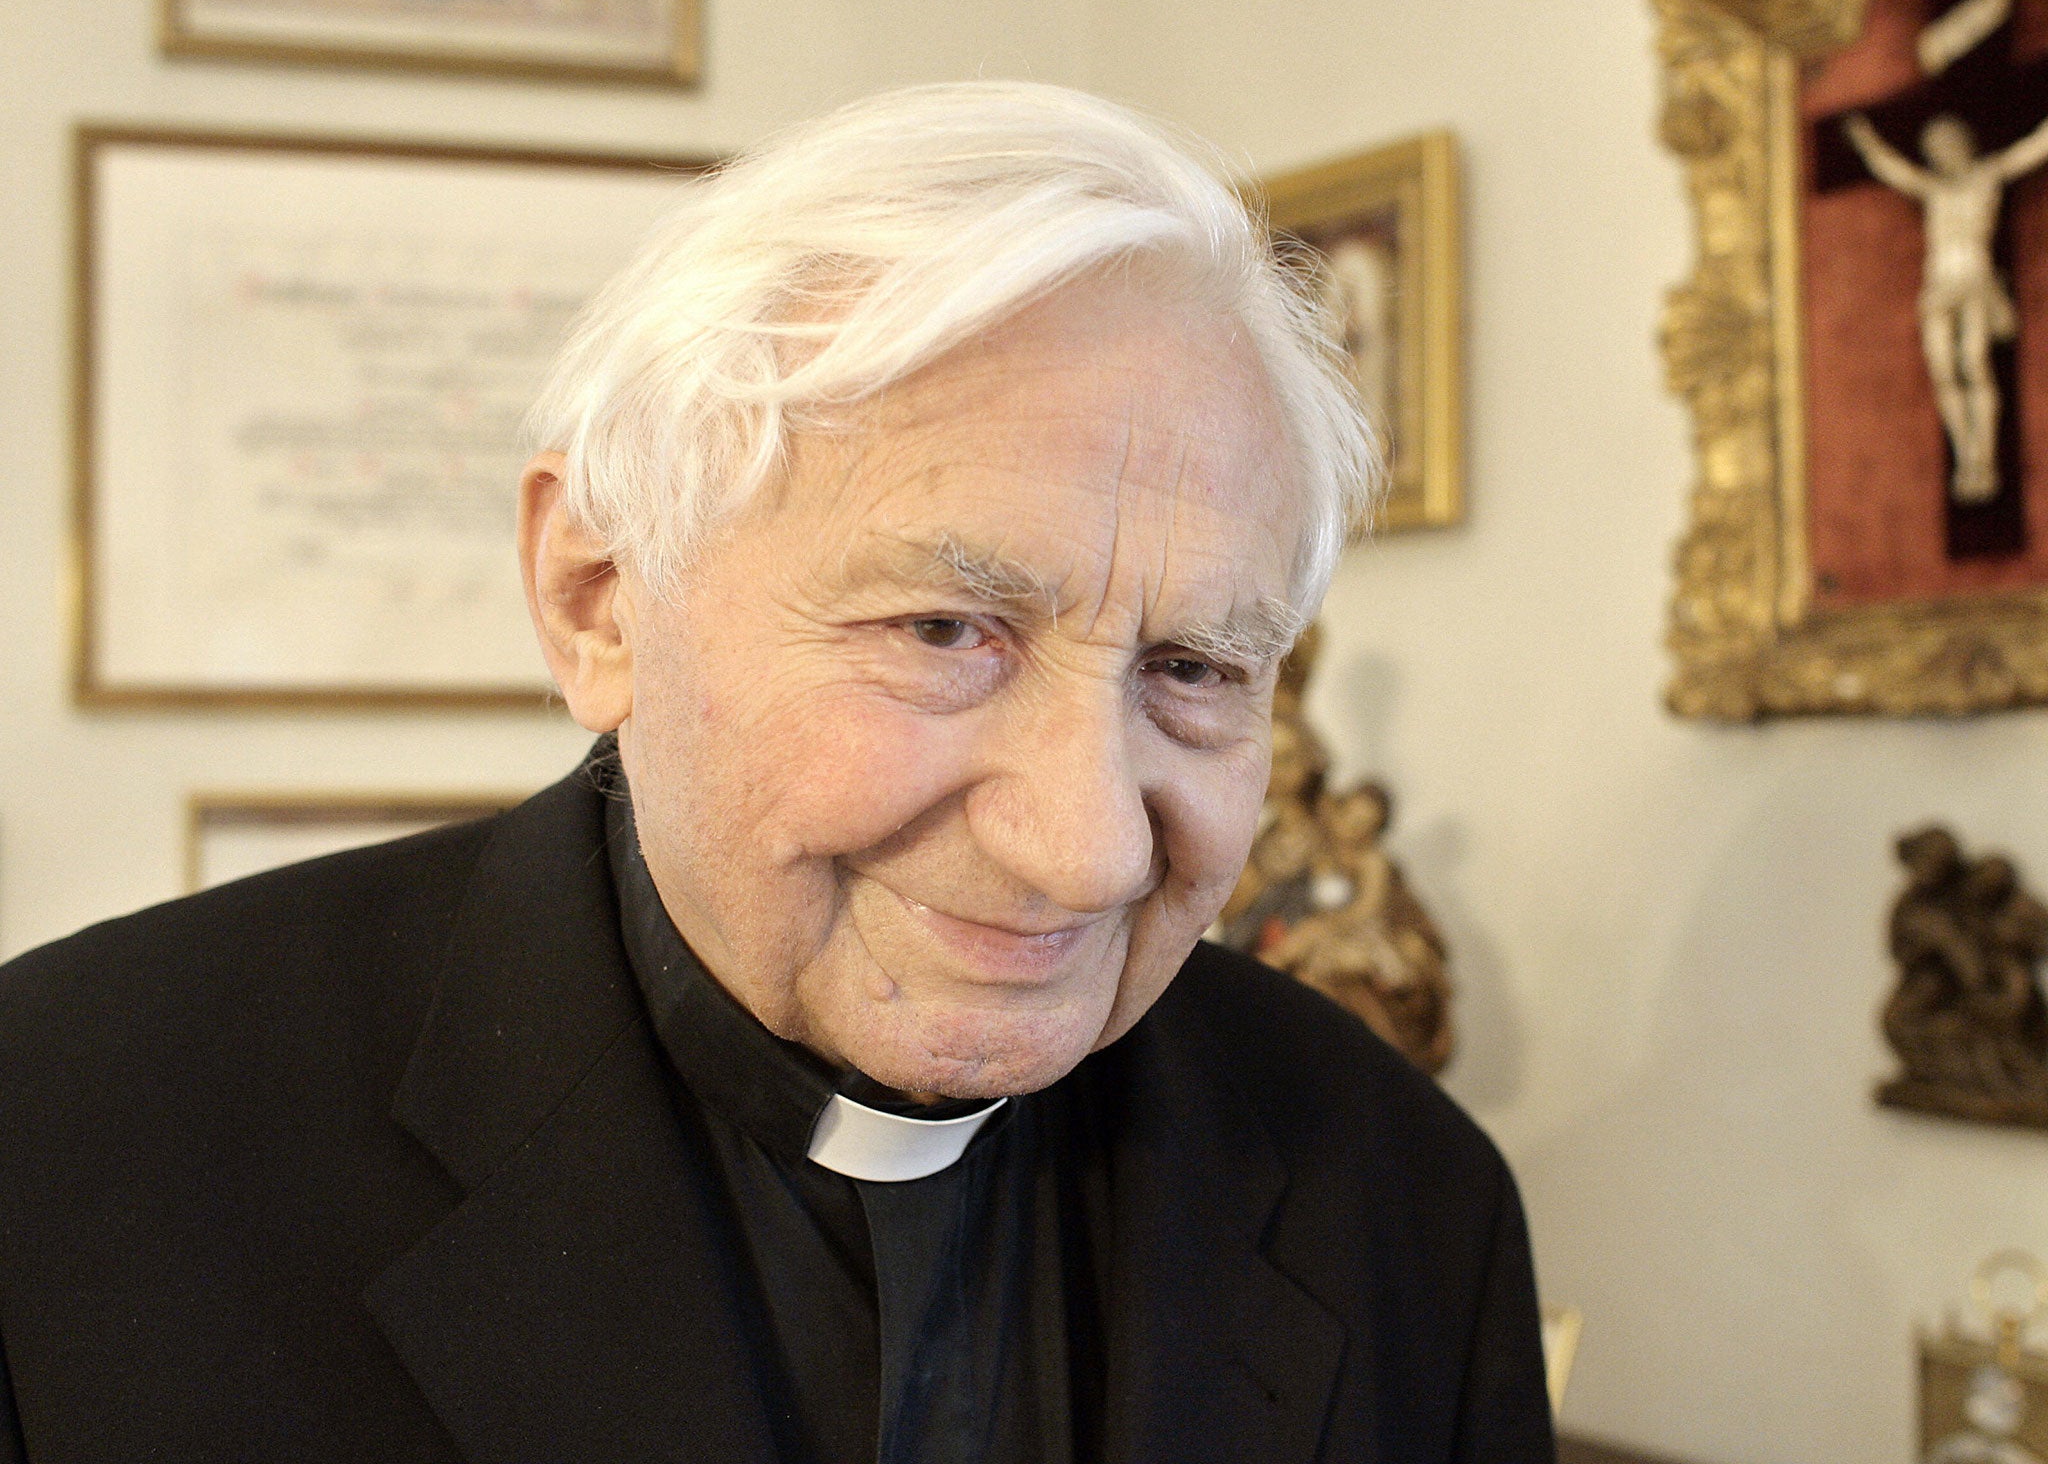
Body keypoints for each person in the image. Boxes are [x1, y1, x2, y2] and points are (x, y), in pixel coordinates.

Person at [0, 82, 1553, 1462]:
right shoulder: (63, 1146)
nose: (1085, 850)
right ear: (596, 599)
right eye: (948, 629)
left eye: (1196, 670)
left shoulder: (1401, 1199)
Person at [1843, 106, 2048, 503]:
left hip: (1974, 281)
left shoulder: (1986, 176)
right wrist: (1867, 143)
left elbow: (2033, 149)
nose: (1943, 152)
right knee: (1944, 373)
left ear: (1964, 144)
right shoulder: (1933, 189)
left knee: (1973, 365)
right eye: (1935, 148)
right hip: (1938, 286)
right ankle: (1964, 457)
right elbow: (1893, 170)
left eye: (1949, 144)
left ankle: (1984, 459)